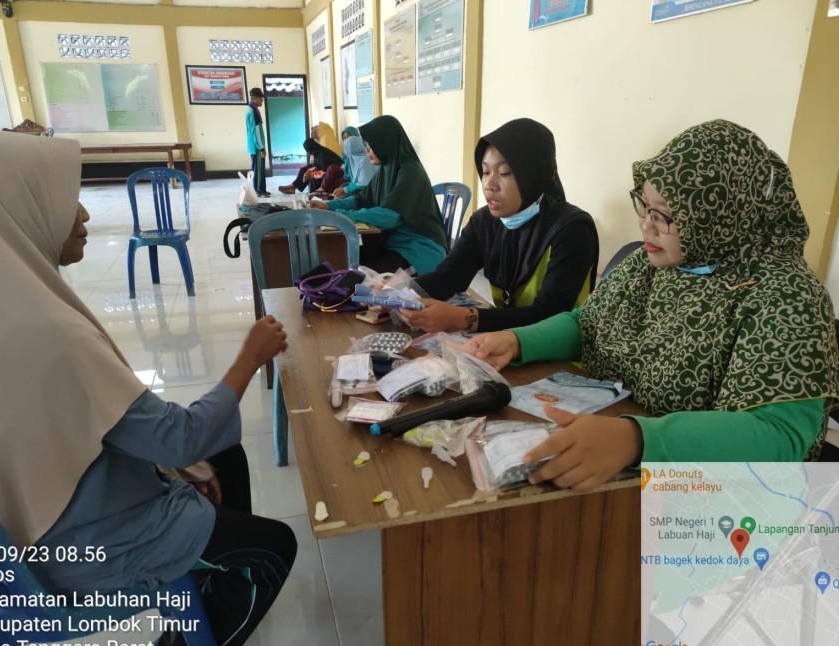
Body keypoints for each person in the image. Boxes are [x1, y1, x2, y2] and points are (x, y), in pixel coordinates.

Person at [0, 131, 296, 646]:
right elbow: (179, 439)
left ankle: (206, 587)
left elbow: (98, 428)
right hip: (80, 550)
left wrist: (175, 469)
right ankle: (185, 644)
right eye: (63, 200)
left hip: (23, 532)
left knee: (223, 454)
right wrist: (249, 358)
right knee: (274, 547)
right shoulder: (48, 336)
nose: (83, 214)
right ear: (17, 212)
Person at [467, 119, 839, 490]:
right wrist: (517, 340)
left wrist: (638, 440)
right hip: (627, 449)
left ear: (720, 215)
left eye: (664, 215)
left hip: (729, 493)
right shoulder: (653, 263)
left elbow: (777, 433)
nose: (646, 225)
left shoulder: (786, 296)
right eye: (644, 205)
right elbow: (588, 324)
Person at [400, 118, 598, 334]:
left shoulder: (573, 230)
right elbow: (448, 277)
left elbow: (549, 315)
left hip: (557, 346)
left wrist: (466, 318)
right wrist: (398, 294)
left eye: (504, 173)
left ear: (534, 175)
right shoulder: (483, 222)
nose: (489, 185)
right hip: (504, 338)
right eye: (485, 172)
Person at [308, 115, 448, 275]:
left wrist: (342, 216)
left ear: (385, 143)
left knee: (360, 278)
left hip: (418, 250)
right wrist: (328, 206)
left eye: (370, 145)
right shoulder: (386, 169)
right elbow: (361, 200)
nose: (366, 149)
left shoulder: (411, 171)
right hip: (392, 243)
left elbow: (389, 216)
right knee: (344, 265)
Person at [245, 87, 270, 197]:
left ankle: (262, 190)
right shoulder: (253, 112)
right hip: (256, 147)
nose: (262, 101)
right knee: (258, 170)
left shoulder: (251, 110)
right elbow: (256, 132)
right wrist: (261, 148)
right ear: (255, 98)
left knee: (260, 169)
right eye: (261, 98)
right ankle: (259, 191)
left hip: (254, 146)